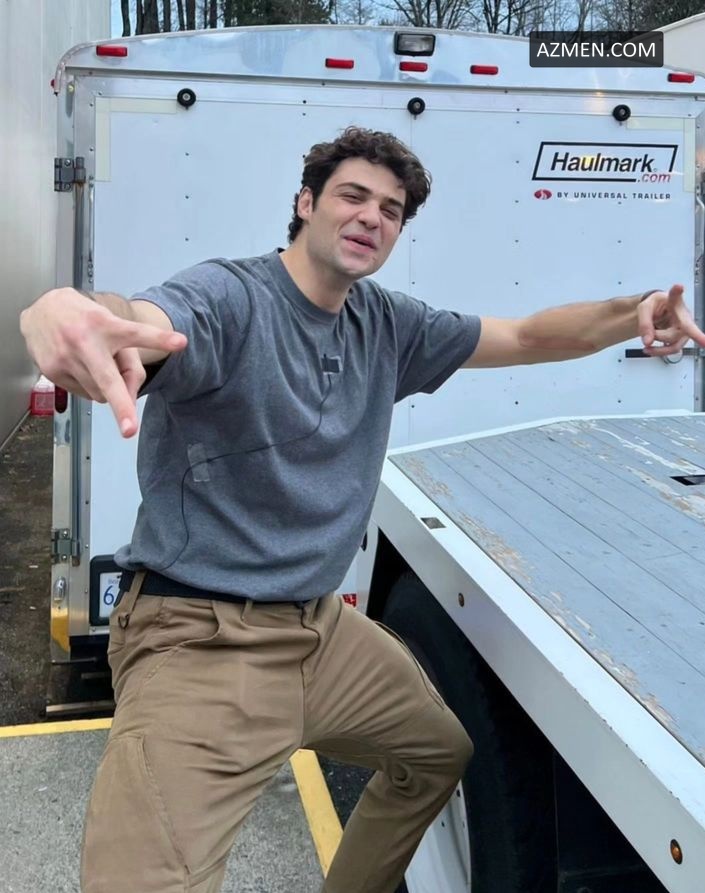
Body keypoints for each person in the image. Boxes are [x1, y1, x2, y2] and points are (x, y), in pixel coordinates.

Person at [20, 126, 705, 893]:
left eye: (391, 210)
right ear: (305, 203)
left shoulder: (384, 323)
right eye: (353, 195)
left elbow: (521, 335)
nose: (371, 216)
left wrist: (631, 311)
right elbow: (142, 319)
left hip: (318, 630)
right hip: (203, 636)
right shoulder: (230, 298)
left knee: (436, 753)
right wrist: (64, 310)